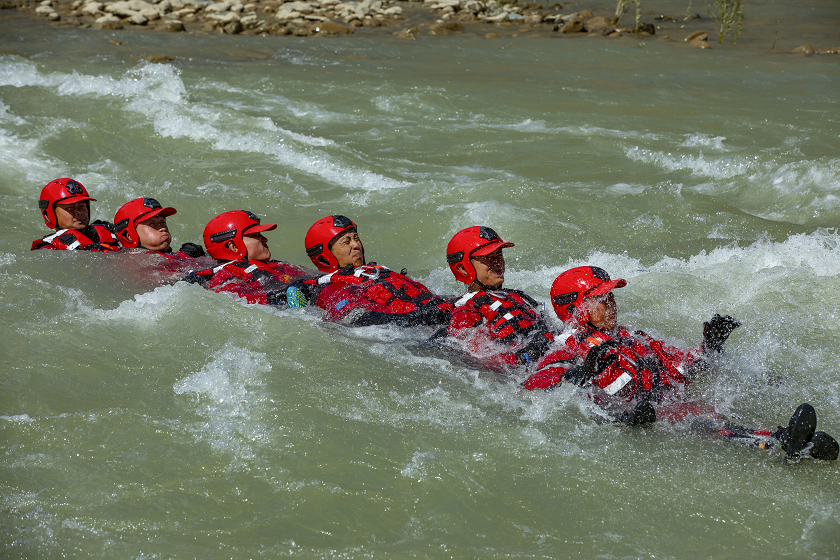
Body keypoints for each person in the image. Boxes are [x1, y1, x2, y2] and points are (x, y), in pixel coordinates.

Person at [524, 265, 838, 462]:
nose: (611, 305)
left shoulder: (632, 336)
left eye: (611, 298)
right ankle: (781, 443)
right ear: (577, 311)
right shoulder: (568, 346)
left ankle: (787, 442)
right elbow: (534, 385)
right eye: (600, 300)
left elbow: (679, 366)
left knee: (705, 413)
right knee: (699, 418)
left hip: (659, 409)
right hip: (627, 421)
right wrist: (578, 375)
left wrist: (709, 348)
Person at [301, 215, 451, 327]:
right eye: (346, 242)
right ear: (324, 257)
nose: (356, 245)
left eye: (356, 238)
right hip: (421, 329)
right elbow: (359, 320)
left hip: (437, 313)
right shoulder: (332, 289)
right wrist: (421, 317)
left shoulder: (372, 270)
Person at [441, 226, 554, 369]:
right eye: (488, 257)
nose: (497, 262)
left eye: (499, 254)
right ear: (463, 268)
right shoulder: (466, 312)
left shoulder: (516, 295)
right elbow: (474, 360)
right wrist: (524, 356)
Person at [184, 210, 313, 306]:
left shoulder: (278, 265)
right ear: (233, 246)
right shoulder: (228, 273)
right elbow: (231, 299)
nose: (265, 238)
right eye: (256, 235)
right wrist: (277, 298)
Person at [31, 178, 120, 252]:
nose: (79, 212)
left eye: (82, 206)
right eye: (70, 207)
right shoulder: (50, 249)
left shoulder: (110, 231)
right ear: (49, 214)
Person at [114, 197, 205, 258]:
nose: (162, 228)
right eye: (152, 224)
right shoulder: (131, 263)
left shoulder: (171, 256)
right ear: (129, 235)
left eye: (163, 222)